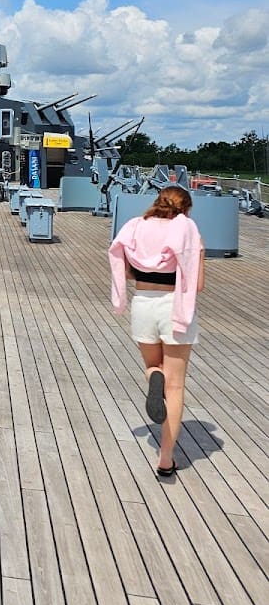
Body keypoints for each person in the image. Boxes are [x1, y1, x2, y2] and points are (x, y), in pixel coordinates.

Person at [109, 186, 204, 478]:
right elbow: (196, 284)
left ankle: (154, 377)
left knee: (152, 366)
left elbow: (125, 270)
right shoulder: (187, 230)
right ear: (186, 209)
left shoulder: (136, 227)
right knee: (175, 387)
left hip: (144, 305)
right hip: (174, 307)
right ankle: (166, 460)